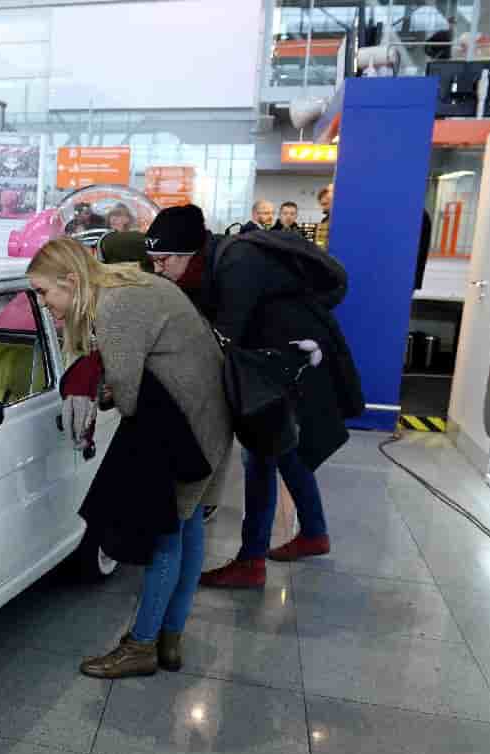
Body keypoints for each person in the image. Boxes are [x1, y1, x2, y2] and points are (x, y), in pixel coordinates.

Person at [27, 235, 231, 679]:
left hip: (185, 427)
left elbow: (130, 397)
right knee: (189, 523)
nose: (44, 304)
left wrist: (97, 392)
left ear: (69, 280)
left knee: (166, 532)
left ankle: (142, 645)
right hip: (206, 419)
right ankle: (169, 639)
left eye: (45, 292)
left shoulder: (113, 307)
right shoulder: (128, 284)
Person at [144, 204, 356, 589]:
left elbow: (224, 336)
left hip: (290, 357)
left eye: (163, 261)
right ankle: (314, 532)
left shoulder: (237, 263)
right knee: (282, 448)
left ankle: (251, 560)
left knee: (260, 450)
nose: (159, 269)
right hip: (276, 356)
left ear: (188, 253)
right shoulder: (210, 262)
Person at [315, 184, 333, 251]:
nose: (323, 208)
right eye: (322, 205)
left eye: (325, 204)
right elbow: (320, 244)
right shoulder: (324, 221)